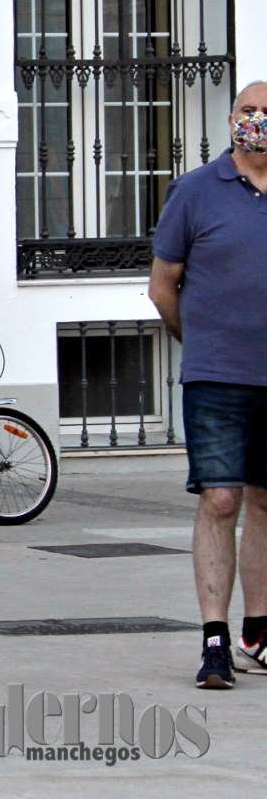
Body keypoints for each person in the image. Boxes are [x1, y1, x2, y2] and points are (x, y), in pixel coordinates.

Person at [148, 79, 267, 690]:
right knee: (221, 500)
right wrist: (196, 343)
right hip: (217, 375)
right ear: (230, 120)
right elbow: (163, 284)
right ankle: (214, 640)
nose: (258, 121)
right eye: (249, 111)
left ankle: (258, 631)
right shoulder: (194, 192)